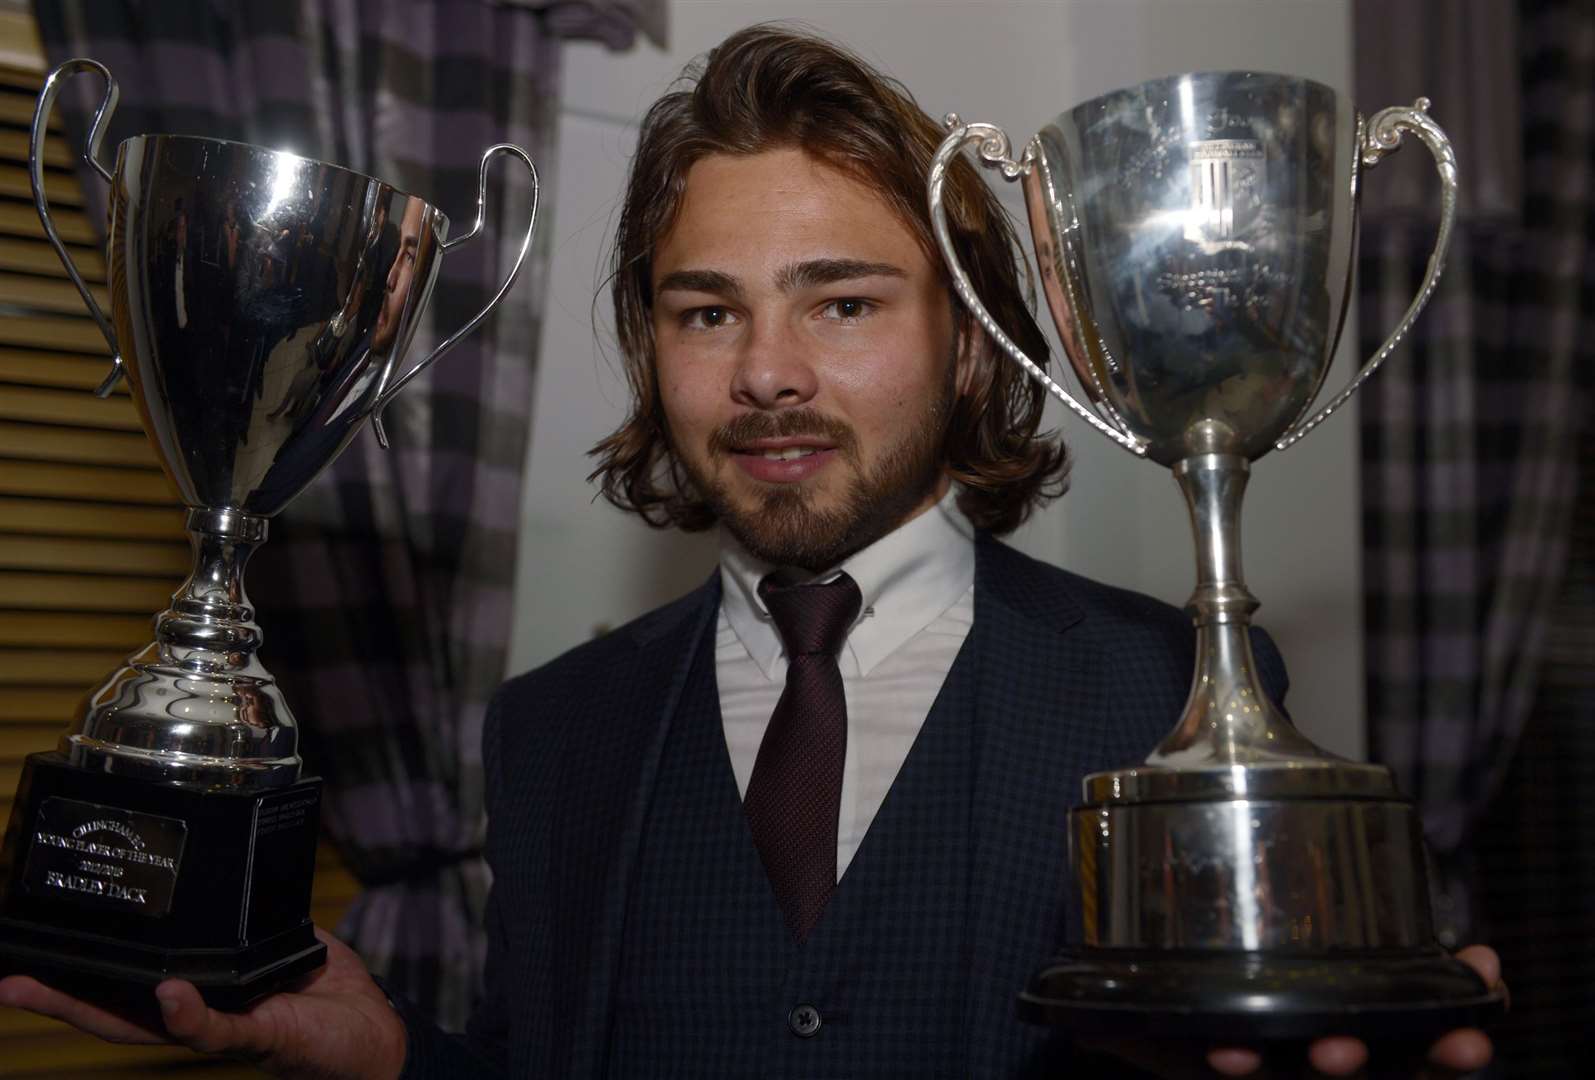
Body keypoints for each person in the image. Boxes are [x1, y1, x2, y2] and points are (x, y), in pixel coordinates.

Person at [0, 25, 1500, 1080]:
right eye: (706, 311)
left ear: (972, 345)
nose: (766, 371)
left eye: (841, 303)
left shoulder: (1163, 692)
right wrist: (390, 1056)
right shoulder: (549, 734)